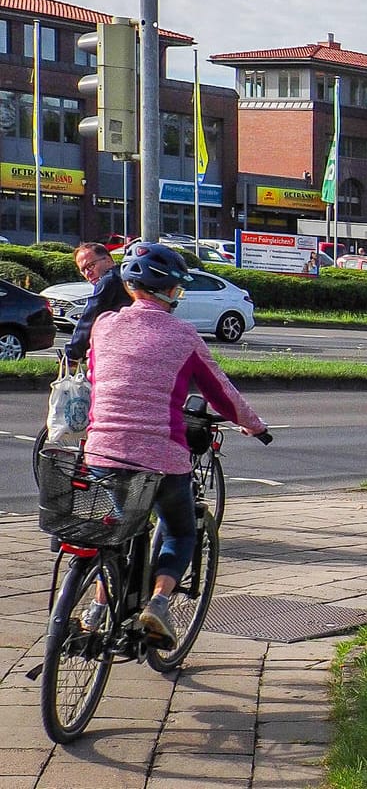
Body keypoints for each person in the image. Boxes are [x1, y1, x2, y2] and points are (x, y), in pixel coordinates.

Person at [79, 242, 270, 645]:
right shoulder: (183, 336)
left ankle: (94, 610)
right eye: (177, 290)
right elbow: (222, 394)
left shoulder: (104, 326)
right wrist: (254, 426)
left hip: (101, 451)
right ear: (169, 291)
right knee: (181, 529)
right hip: (161, 456)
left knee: (120, 529)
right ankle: (159, 605)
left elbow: (98, 380)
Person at [62, 242, 131, 363]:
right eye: (83, 271)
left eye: (90, 266)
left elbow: (89, 318)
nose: (87, 273)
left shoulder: (109, 280)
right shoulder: (127, 277)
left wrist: (72, 354)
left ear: (108, 260)